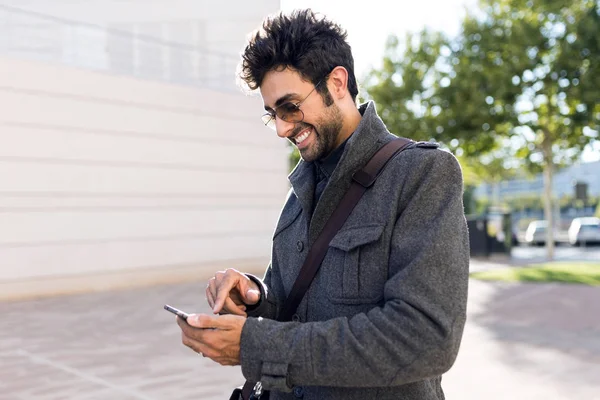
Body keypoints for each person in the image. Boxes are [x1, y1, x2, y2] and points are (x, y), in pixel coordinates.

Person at [176, 9, 469, 400]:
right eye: (272, 115)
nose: (281, 128)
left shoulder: (422, 174)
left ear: (337, 82)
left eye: (290, 107)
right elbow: (293, 305)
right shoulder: (299, 189)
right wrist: (255, 300)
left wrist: (257, 345)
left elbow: (427, 337)